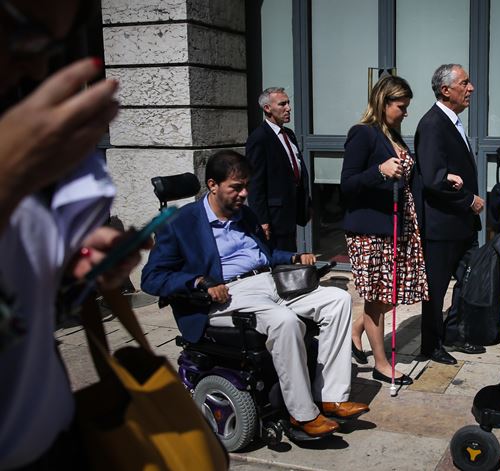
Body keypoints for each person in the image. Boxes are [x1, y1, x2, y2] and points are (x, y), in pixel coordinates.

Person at [0, 1, 143, 468]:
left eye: (55, 46)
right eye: (26, 35)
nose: (38, 66)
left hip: (56, 435)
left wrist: (76, 270)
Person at [141, 150, 368, 439]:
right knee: (284, 321)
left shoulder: (243, 214)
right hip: (225, 296)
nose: (244, 194)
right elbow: (152, 278)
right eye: (236, 187)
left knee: (338, 300)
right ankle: (302, 414)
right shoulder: (180, 223)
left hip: (268, 282)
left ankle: (331, 396)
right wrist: (198, 281)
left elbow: (266, 255)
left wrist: (295, 257)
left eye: (246, 186)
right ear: (213, 185)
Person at [341, 75, 427, 386]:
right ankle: (381, 363)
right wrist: (379, 171)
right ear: (384, 102)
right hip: (369, 230)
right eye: (401, 107)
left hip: (397, 227)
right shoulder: (362, 134)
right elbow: (347, 184)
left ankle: (357, 327)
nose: (406, 113)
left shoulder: (395, 136)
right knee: (377, 296)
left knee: (395, 292)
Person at [414, 63, 485, 365]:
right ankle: (431, 344)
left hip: (462, 226)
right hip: (441, 227)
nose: (471, 89)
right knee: (437, 288)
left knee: (469, 280)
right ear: (446, 90)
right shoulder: (432, 124)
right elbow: (434, 178)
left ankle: (454, 331)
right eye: (465, 83)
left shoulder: (452, 121)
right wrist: (468, 199)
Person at [245, 87, 310, 251]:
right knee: (279, 261)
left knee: (289, 257)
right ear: (267, 108)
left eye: (288, 103)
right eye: (282, 104)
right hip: (274, 216)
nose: (288, 108)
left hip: (291, 210)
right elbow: (255, 183)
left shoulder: (289, 133)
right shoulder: (259, 138)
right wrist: (262, 220)